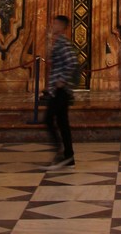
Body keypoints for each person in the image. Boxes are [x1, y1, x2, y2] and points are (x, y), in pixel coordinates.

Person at [45, 14, 78, 170]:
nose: (53, 26)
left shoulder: (63, 43)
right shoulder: (58, 42)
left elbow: (72, 62)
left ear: (63, 26)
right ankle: (68, 157)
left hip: (61, 90)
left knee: (49, 119)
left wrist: (62, 80)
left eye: (56, 24)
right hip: (58, 90)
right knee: (62, 123)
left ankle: (61, 152)